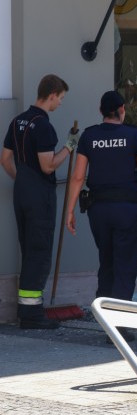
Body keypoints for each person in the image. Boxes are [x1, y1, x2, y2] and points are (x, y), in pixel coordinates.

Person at [65, 90, 137, 342]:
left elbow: (78, 177)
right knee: (125, 266)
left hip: (99, 211)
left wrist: (69, 210)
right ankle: (119, 325)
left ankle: (106, 320)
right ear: (121, 109)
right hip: (126, 210)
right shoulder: (133, 135)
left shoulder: (89, 135)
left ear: (101, 111)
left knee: (107, 261)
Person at [0, 74, 78, 330]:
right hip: (39, 196)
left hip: (22, 192)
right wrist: (68, 146)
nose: (60, 104)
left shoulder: (17, 121)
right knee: (40, 251)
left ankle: (28, 310)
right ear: (52, 94)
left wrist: (22, 178)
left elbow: (5, 159)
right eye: (61, 98)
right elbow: (48, 165)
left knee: (28, 248)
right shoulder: (43, 125)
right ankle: (32, 315)